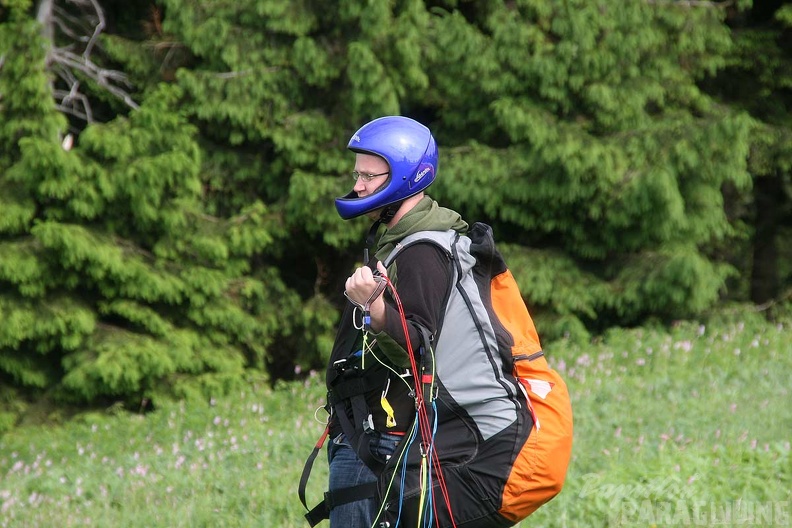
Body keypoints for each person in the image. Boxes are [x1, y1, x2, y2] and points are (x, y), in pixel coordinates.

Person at [325, 115, 468, 527]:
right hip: (368, 431)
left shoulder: (423, 251)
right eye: (358, 174)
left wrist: (374, 305)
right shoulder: (397, 240)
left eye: (370, 176)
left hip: (385, 439)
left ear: (405, 178)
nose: (358, 186)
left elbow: (420, 345)